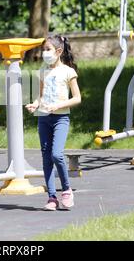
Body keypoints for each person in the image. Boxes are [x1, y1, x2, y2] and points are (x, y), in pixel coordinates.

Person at [26, 35, 82, 211]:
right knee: (46, 157)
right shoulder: (42, 71)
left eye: (47, 49)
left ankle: (66, 190)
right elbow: (40, 95)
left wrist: (58, 105)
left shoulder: (68, 72)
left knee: (56, 154)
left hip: (60, 119)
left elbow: (77, 98)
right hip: (43, 118)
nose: (44, 53)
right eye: (43, 50)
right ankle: (52, 197)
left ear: (58, 51)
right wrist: (35, 104)